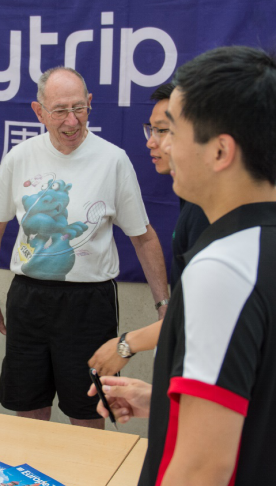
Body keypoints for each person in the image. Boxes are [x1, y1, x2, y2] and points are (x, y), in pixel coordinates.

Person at [90, 46, 276, 486]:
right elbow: (274, 407)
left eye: (174, 131)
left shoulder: (225, 268)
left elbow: (203, 468)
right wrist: (165, 403)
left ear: (221, 150)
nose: (164, 145)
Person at [0, 66, 169, 429]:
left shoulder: (113, 160)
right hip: (29, 300)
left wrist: (164, 308)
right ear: (39, 112)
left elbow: (143, 237)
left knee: (88, 411)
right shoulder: (20, 157)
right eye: (60, 111)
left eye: (79, 108)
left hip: (89, 305)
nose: (72, 120)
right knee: (29, 409)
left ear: (90, 103)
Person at [87, 83, 210, 376]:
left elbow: (205, 315)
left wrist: (127, 344)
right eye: (151, 130)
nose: (152, 143)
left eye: (163, 131)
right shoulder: (193, 201)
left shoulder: (211, 212)